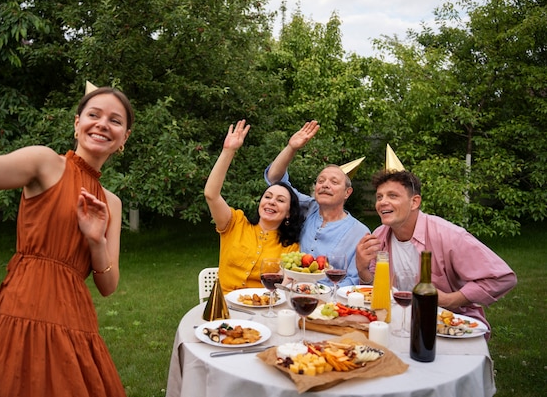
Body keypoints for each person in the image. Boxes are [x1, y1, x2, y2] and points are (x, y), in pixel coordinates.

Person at [0, 53, 132, 396]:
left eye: (115, 120)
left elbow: (108, 285)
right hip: (24, 314)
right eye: (93, 115)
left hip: (77, 321)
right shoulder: (44, 162)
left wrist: (95, 241)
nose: (102, 124)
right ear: (77, 123)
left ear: (124, 138)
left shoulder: (112, 203)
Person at [355, 169, 517, 334]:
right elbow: (377, 290)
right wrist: (363, 270)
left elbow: (502, 278)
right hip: (396, 321)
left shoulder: (448, 235)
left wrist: (450, 300)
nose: (382, 202)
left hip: (446, 325)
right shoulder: (379, 236)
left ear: (415, 202)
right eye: (379, 197)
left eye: (392, 196)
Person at [264, 120, 370, 287]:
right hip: (289, 292)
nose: (325, 185)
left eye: (334, 182)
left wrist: (318, 292)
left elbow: (354, 280)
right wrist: (291, 148)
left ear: (347, 193)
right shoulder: (308, 207)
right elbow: (275, 180)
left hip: (330, 303)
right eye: (321, 180)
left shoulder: (360, 233)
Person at [205, 119, 303, 294]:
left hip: (263, 307)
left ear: (289, 213)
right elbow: (211, 195)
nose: (271, 201)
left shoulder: (291, 247)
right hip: (224, 306)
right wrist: (228, 151)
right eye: (268, 196)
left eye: (280, 200)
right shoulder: (235, 223)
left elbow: (282, 286)